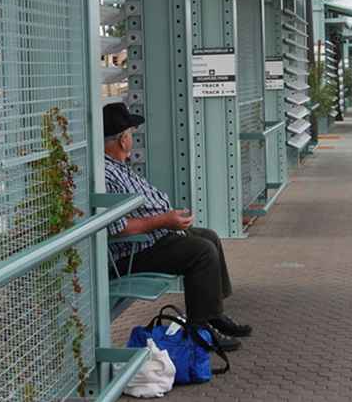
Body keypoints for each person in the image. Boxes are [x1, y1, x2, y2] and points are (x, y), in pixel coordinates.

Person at [103, 102, 251, 351]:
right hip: (132, 252)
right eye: (131, 134)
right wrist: (163, 220)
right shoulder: (106, 174)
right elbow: (119, 228)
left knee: (209, 237)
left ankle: (213, 315)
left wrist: (168, 220)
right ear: (121, 140)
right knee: (201, 251)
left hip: (153, 238)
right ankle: (201, 330)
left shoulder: (118, 166)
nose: (133, 140)